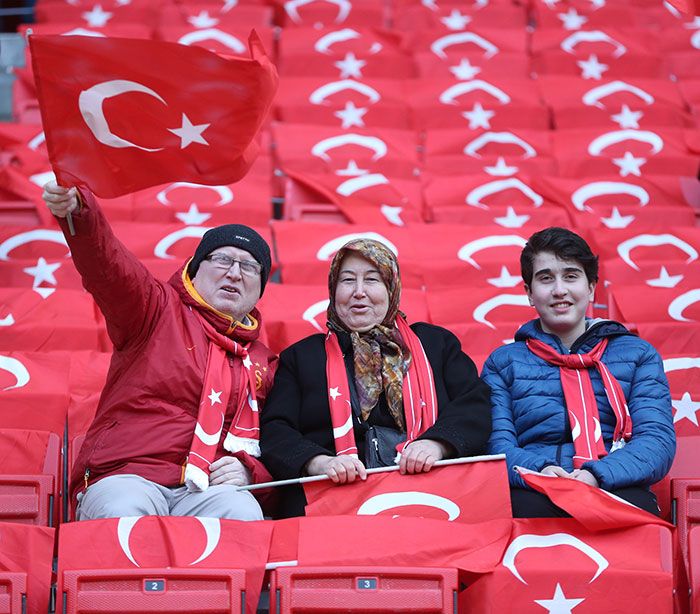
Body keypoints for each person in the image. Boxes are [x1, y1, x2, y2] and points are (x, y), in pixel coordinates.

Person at [42, 181, 279, 520]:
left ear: (259, 291)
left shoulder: (265, 363)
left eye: (250, 266)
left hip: (208, 491)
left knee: (242, 512)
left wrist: (252, 473)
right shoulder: (154, 309)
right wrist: (81, 213)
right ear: (194, 271)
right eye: (222, 259)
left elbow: (281, 442)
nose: (234, 272)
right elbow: (109, 268)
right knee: (120, 509)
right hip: (129, 475)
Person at [260, 238, 492, 518]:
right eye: (347, 281)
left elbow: (475, 405)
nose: (359, 292)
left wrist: (436, 444)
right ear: (334, 290)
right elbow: (276, 429)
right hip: (331, 496)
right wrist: (318, 463)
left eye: (372, 280)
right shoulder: (301, 357)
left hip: (430, 491)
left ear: (391, 287)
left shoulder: (435, 344)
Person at [481, 227, 676, 517]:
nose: (559, 290)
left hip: (616, 486)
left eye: (570, 276)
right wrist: (542, 471)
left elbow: (656, 440)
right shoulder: (502, 363)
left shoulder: (639, 355)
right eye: (546, 278)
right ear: (529, 294)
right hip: (533, 489)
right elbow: (496, 445)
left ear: (592, 288)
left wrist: (595, 475)